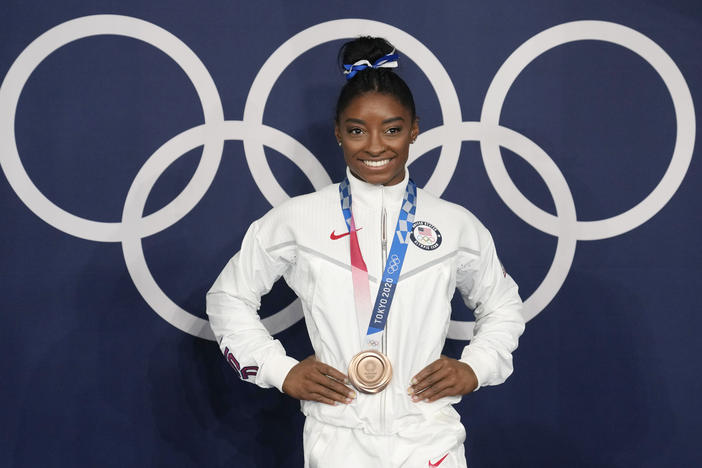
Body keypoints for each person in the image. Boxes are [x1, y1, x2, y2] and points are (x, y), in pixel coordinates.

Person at [206, 36, 525, 468]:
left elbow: (503, 305)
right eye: (357, 130)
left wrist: (476, 366)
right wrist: (279, 370)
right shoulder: (298, 219)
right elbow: (228, 298)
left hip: (429, 436)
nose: (375, 146)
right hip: (337, 438)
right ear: (338, 133)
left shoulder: (454, 224)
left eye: (392, 129)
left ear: (415, 129)